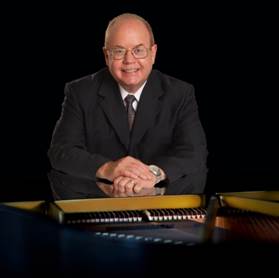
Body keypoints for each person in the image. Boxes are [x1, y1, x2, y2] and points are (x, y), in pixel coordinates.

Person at [47, 13, 208, 199]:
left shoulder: (180, 93)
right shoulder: (80, 92)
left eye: (139, 50)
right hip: (97, 211)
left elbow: (194, 152)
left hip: (162, 212)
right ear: (107, 56)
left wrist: (153, 174)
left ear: (153, 53)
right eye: (119, 51)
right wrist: (108, 168)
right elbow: (61, 152)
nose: (129, 60)